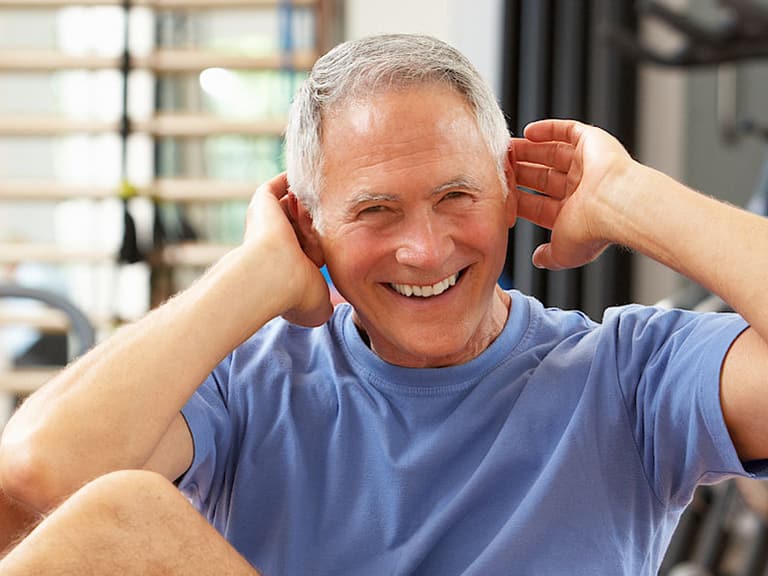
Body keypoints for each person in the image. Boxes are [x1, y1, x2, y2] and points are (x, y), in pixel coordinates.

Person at [0, 33, 767, 575]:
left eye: (456, 196)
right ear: (310, 225)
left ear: (509, 192)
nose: (425, 251)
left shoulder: (631, 376)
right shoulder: (246, 382)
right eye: (374, 212)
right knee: (123, 515)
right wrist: (253, 274)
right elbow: (37, 477)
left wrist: (630, 197)